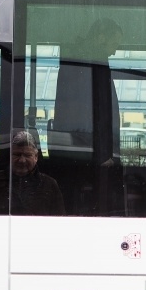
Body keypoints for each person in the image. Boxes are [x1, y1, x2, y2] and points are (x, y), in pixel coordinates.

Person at [52, 17, 124, 216]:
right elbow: (99, 112)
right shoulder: (94, 64)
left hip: (79, 146)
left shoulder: (76, 60)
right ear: (101, 38)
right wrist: (105, 154)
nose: (114, 51)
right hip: (87, 148)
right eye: (114, 43)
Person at [0, 130, 65, 215]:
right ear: (10, 155)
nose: (22, 160)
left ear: (36, 157)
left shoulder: (49, 185)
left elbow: (60, 221)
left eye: (27, 155)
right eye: (17, 154)